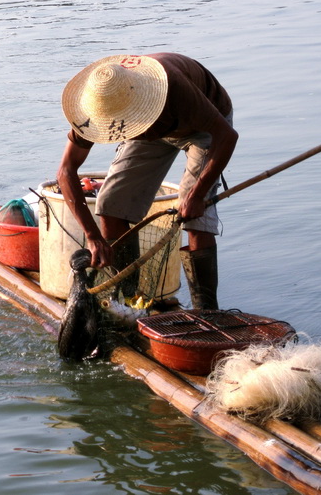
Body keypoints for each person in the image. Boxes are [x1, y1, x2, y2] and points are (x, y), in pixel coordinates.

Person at [56, 53, 237, 310]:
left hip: (204, 127)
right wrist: (93, 236)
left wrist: (198, 195)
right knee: (110, 202)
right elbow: (66, 171)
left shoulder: (175, 90)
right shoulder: (94, 107)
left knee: (195, 213)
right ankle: (131, 301)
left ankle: (206, 310)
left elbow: (227, 136)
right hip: (145, 128)